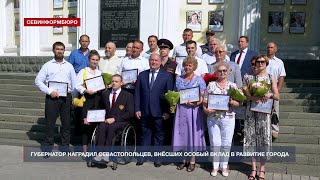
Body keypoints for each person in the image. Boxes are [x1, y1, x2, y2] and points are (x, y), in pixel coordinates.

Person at [35, 41, 76, 153]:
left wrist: (72, 97)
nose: (60, 51)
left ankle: (65, 147)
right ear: (53, 50)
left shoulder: (69, 66)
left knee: (66, 123)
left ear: (64, 51)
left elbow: (74, 83)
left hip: (66, 98)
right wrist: (49, 91)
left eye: (62, 49)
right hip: (52, 98)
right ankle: (47, 147)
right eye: (57, 49)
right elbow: (38, 80)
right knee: (50, 123)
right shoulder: (47, 65)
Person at [243, 55, 279, 180]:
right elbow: (245, 95)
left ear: (266, 63)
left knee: (264, 139)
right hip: (251, 112)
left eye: (263, 61)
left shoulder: (271, 77)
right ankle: (253, 169)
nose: (260, 63)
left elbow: (277, 96)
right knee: (251, 138)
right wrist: (254, 98)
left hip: (265, 113)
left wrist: (270, 94)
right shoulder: (248, 77)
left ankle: (262, 169)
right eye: (258, 61)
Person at [134, 53, 173, 167]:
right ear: (149, 61)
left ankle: (157, 158)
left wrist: (167, 111)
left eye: (156, 60)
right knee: (144, 134)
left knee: (158, 135)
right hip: (144, 110)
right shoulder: (142, 75)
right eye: (152, 60)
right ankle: (143, 156)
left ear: (160, 62)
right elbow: (137, 94)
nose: (154, 62)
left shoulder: (167, 76)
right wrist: (137, 108)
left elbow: (169, 95)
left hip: (159, 111)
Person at [203, 62, 240, 177]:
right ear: (216, 72)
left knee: (226, 143)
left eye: (224, 70)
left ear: (228, 72)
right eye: (220, 71)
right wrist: (206, 110)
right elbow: (204, 100)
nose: (222, 73)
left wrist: (232, 102)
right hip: (213, 117)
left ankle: (224, 166)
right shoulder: (211, 85)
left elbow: (239, 102)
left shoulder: (232, 86)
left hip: (228, 117)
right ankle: (215, 166)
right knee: (215, 142)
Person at [173, 55, 206, 172]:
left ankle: (192, 161)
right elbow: (175, 95)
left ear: (194, 67)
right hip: (181, 110)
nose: (187, 67)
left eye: (190, 65)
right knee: (182, 134)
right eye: (185, 65)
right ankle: (183, 160)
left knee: (192, 135)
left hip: (193, 111)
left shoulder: (199, 80)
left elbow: (202, 97)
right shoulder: (178, 79)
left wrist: (196, 103)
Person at [94, 74, 134, 162]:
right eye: (113, 81)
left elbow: (130, 113)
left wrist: (115, 119)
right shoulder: (105, 93)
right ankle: (99, 153)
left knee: (112, 127)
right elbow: (102, 108)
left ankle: (106, 153)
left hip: (121, 121)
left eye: (116, 81)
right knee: (102, 127)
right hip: (107, 120)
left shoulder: (127, 96)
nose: (114, 83)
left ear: (121, 83)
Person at [75, 50, 103, 155]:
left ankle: (93, 147)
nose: (94, 62)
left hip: (97, 100)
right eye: (93, 59)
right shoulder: (83, 71)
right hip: (87, 100)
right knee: (86, 124)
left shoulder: (99, 72)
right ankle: (85, 150)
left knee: (95, 124)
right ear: (89, 60)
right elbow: (77, 86)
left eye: (96, 60)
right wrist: (86, 90)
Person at [157, 38, 177, 145]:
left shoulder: (174, 65)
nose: (162, 50)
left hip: (169, 99)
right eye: (161, 48)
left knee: (169, 125)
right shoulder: (156, 63)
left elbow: (176, 81)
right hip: (157, 98)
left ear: (169, 51)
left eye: (165, 48)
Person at [266, 42, 286, 133]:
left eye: (271, 47)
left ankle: (274, 131)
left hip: (274, 89)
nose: (269, 49)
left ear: (275, 49)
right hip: (262, 88)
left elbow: (281, 77)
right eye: (268, 47)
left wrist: (278, 90)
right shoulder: (262, 60)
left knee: (274, 110)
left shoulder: (279, 62)